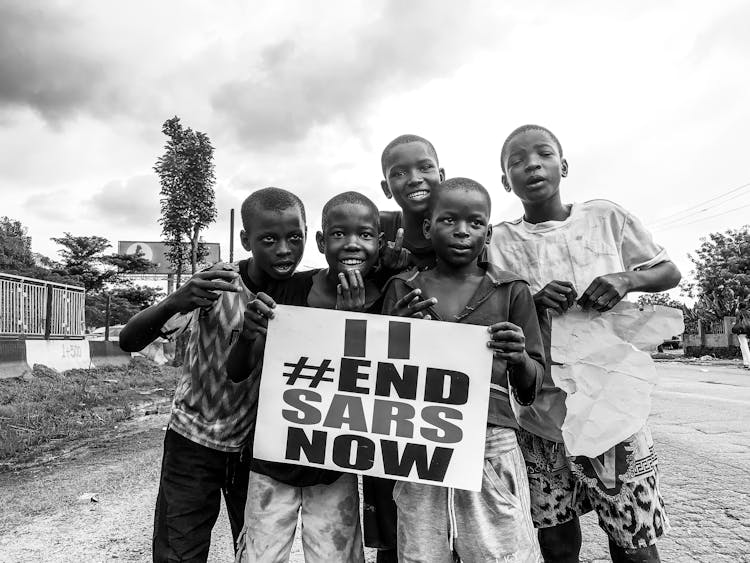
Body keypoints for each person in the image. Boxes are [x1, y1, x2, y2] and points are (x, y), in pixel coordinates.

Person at [489, 124, 682, 563]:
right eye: (516, 161)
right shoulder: (497, 241)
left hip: (612, 406)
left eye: (542, 154)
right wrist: (531, 305)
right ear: (506, 181)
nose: (531, 164)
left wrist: (626, 278)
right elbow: (489, 307)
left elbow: (669, 271)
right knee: (557, 543)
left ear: (564, 165)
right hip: (538, 413)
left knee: (633, 542)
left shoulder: (604, 218)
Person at [119, 187, 309, 562]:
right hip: (193, 439)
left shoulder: (305, 294)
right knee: (179, 550)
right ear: (245, 240)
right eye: (268, 239)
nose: (284, 250)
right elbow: (129, 340)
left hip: (256, 450)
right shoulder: (215, 284)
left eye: (294, 237)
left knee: (258, 551)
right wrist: (177, 299)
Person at [382, 177, 544, 562]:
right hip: (419, 447)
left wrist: (519, 357)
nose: (462, 231)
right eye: (449, 220)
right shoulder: (403, 291)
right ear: (427, 227)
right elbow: (377, 377)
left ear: (487, 232)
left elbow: (532, 383)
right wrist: (399, 333)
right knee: (423, 555)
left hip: (490, 446)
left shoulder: (512, 290)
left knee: (501, 555)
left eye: (474, 223)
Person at [228, 191, 384, 563]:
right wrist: (249, 333)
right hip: (273, 458)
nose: (351, 244)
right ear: (320, 240)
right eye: (338, 234)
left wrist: (352, 325)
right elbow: (238, 371)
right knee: (260, 555)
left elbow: (380, 384)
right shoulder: (285, 290)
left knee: (336, 556)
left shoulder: (385, 302)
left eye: (365, 235)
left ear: (379, 242)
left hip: (335, 466)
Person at [378, 133, 445, 271]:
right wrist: (383, 271)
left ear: (441, 177)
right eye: (399, 174)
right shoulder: (376, 228)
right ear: (386, 189)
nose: (415, 179)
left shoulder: (464, 226)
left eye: (425, 167)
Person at [733, 301, 750, 368]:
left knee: (744, 346)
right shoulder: (749, 312)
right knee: (743, 346)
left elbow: (738, 322)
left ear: (739, 307)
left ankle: (748, 362)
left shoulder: (739, 313)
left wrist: (734, 325)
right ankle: (745, 362)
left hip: (742, 330)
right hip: (748, 330)